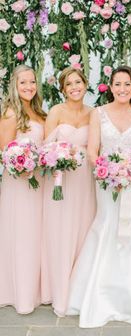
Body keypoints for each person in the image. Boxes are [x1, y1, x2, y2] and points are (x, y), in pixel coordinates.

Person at [66, 66, 131, 330]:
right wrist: (110, 171)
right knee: (107, 226)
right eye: (118, 84)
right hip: (107, 183)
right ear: (110, 87)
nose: (123, 89)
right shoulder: (98, 113)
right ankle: (98, 294)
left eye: (127, 84)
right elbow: (93, 151)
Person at [41, 67, 96, 316]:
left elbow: (97, 148)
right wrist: (59, 158)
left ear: (85, 84)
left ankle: (80, 288)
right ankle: (59, 290)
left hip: (84, 180)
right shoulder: (55, 112)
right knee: (61, 230)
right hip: (60, 181)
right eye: (69, 84)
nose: (75, 87)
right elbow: (44, 150)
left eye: (78, 82)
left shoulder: (94, 113)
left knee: (83, 230)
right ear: (63, 89)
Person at [0, 64, 46, 313]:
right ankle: (20, 293)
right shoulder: (10, 113)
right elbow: (4, 152)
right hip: (19, 182)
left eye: (32, 82)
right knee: (22, 233)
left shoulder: (39, 111)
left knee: (36, 233)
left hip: (38, 181)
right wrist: (21, 164)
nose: (29, 87)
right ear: (15, 87)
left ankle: (35, 288)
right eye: (23, 83)